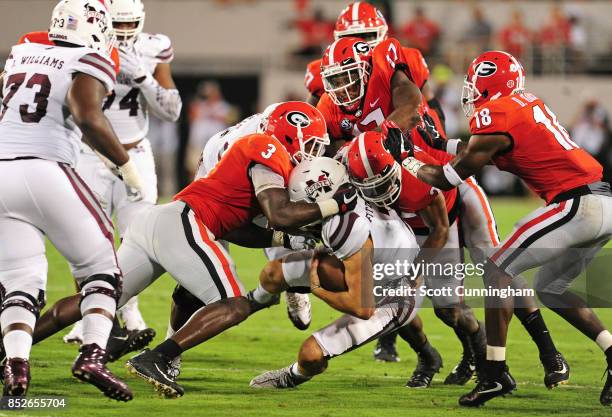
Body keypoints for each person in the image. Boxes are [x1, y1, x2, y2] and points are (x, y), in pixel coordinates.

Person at [18, 102, 358, 398]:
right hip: (182, 222)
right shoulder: (267, 148)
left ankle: (13, 349)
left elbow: (235, 226)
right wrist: (332, 206)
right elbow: (279, 213)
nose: (313, 155)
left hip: (160, 222)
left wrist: (281, 240)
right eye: (312, 145)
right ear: (292, 134)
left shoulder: (260, 152)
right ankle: (159, 357)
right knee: (234, 304)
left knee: (98, 298)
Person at [386, 50, 612, 407]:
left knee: (497, 269)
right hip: (600, 202)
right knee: (551, 289)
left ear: (488, 84)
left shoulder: (498, 111)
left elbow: (450, 176)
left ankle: (494, 373)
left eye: (475, 86)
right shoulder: (521, 105)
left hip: (577, 203)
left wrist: (406, 159)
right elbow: (486, 149)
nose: (471, 94)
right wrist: (437, 143)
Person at [0, 0, 143, 400]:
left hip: (1, 171)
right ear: (96, 25)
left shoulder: (23, 51)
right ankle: (92, 355)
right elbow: (88, 115)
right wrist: (125, 164)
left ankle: (16, 368)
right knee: (103, 272)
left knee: (22, 281)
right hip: (44, 170)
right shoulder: (89, 56)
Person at [64, 0, 182, 350]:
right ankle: (89, 319)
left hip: (136, 151)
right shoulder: (82, 45)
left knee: (138, 240)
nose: (125, 32)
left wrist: (143, 77)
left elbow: (172, 111)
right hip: (89, 153)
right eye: (118, 24)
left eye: (130, 24)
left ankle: (129, 313)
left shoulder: (152, 48)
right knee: (86, 240)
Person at [250, 155, 424, 389]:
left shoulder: (344, 228)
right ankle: (254, 302)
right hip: (381, 263)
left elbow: (362, 308)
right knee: (274, 272)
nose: (299, 211)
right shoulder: (349, 191)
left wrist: (317, 288)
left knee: (310, 354)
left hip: (395, 294)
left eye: (303, 205)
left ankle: (291, 376)